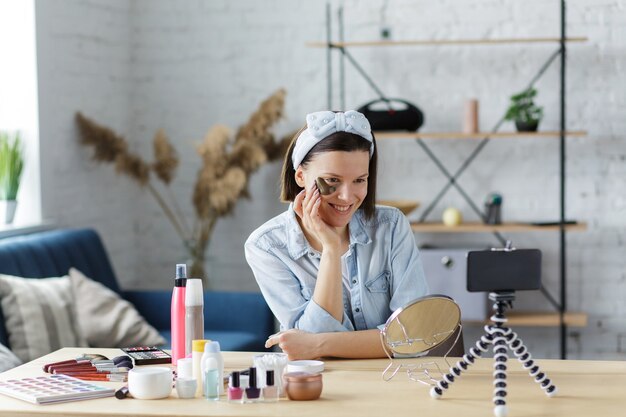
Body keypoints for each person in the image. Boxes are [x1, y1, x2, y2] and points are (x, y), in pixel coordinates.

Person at [244, 110, 428, 360]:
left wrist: (318, 345)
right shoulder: (267, 246)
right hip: (320, 386)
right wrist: (331, 250)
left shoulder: (391, 226)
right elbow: (309, 351)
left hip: (392, 382)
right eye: (331, 180)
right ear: (300, 176)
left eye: (359, 180)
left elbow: (415, 337)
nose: (346, 196)